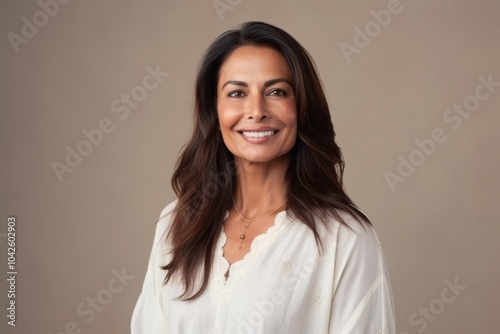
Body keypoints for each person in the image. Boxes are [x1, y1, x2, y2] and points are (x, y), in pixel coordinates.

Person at [131, 21, 396, 334]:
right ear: (214, 113)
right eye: (237, 93)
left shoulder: (345, 238)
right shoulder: (176, 223)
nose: (256, 110)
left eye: (276, 91)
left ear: (301, 107)